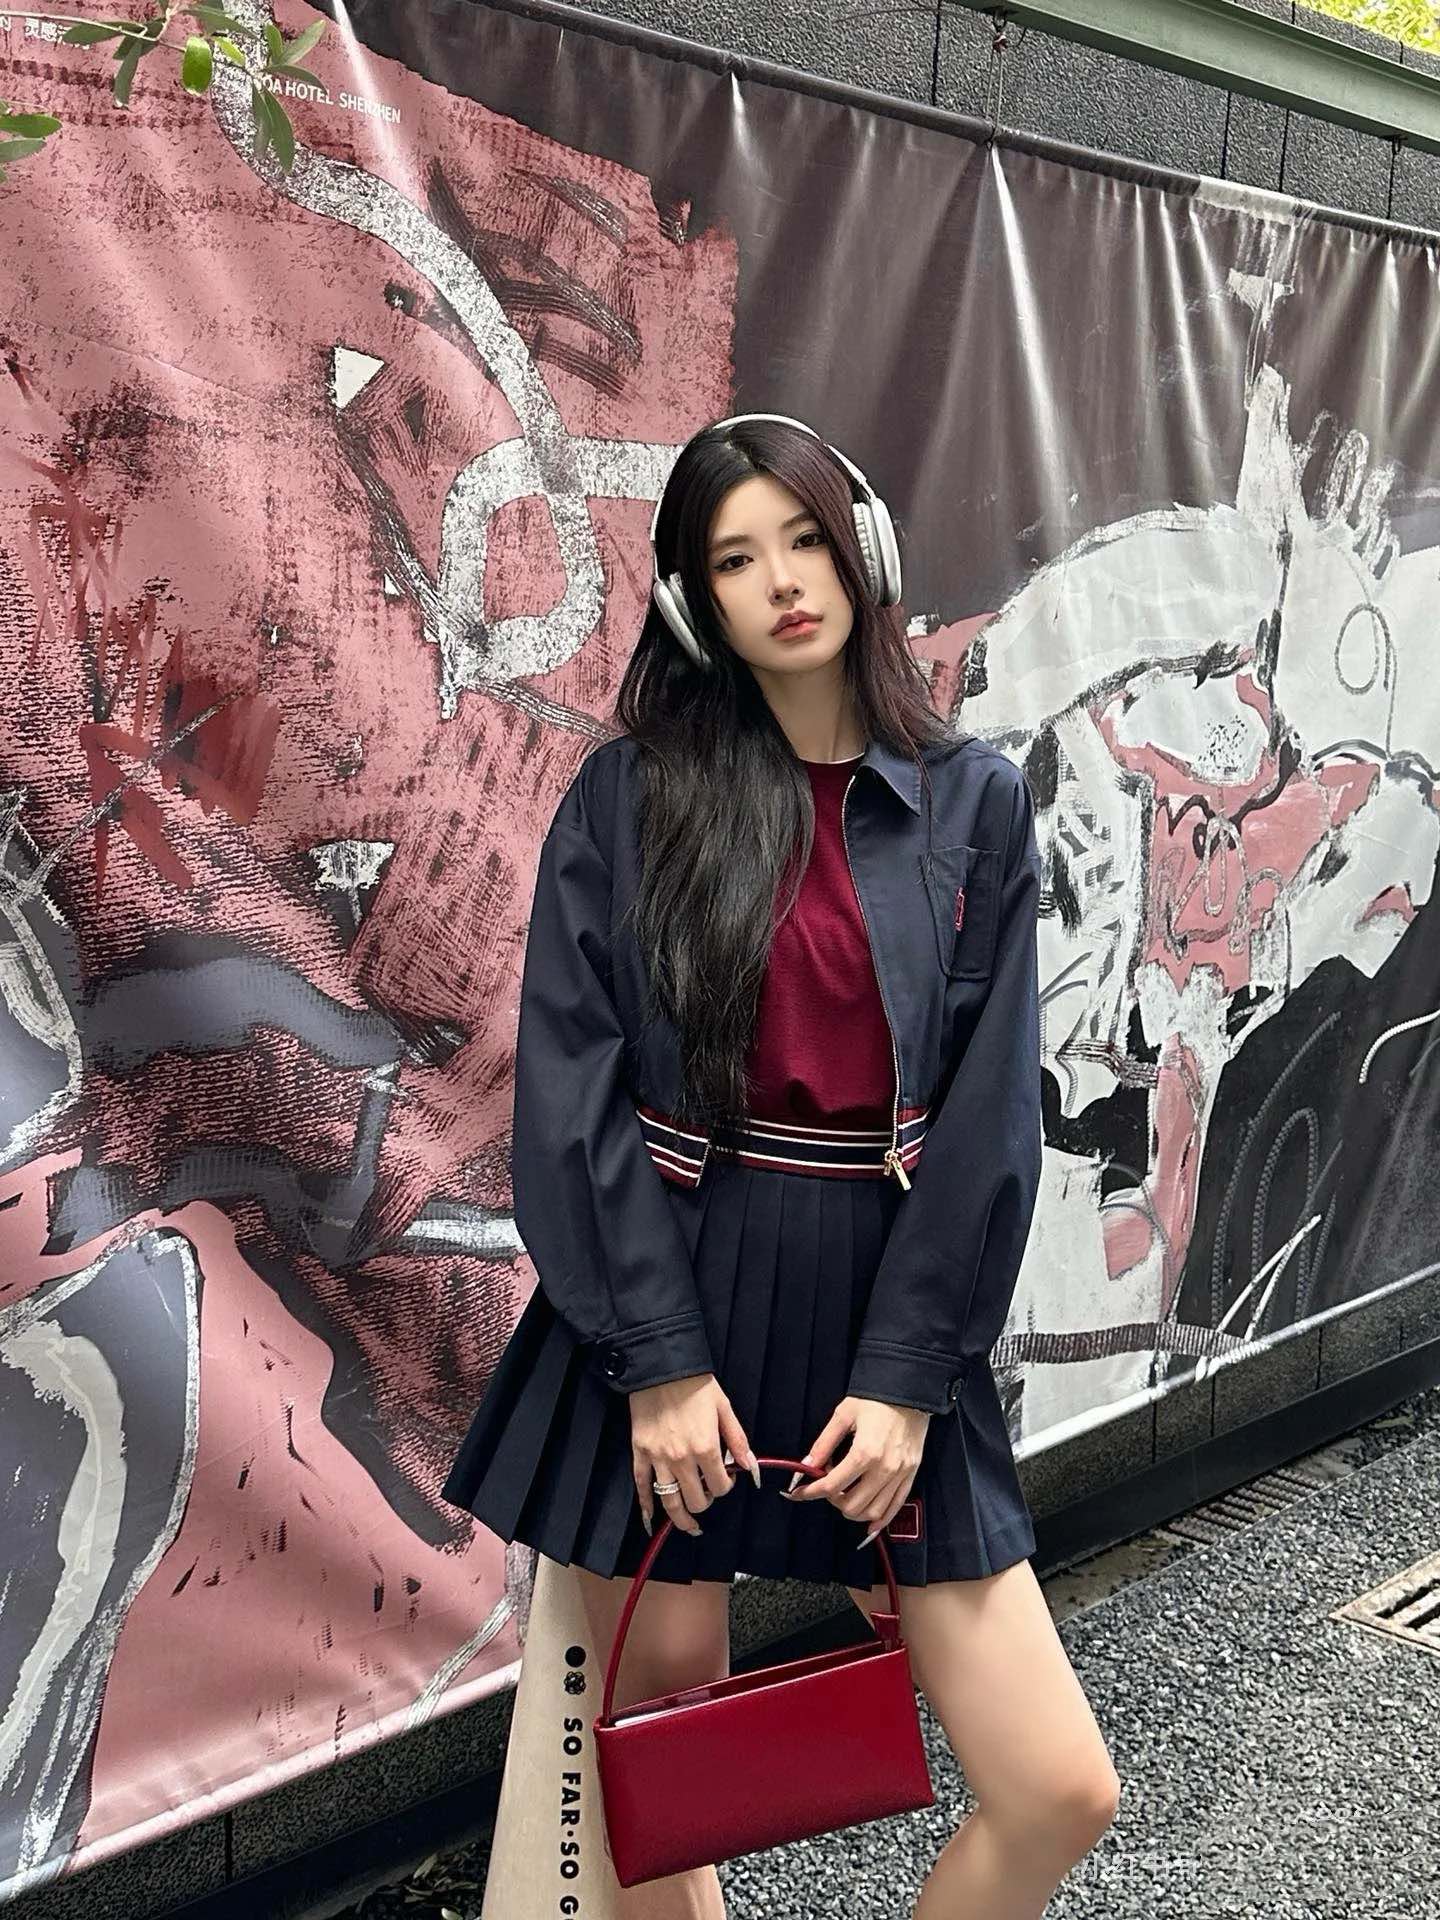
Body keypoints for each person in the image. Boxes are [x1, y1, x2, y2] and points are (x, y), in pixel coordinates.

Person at [443, 414, 1121, 1917]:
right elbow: (571, 1093)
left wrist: (909, 1378)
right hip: (674, 1290)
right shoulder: (628, 800)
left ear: (862, 548)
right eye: (737, 559)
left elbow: (989, 1117)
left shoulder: (974, 801)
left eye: (806, 540)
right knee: (660, 1786)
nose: (784, 583)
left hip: (885, 1299)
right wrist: (660, 1366)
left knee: (1058, 1788)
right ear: (696, 600)